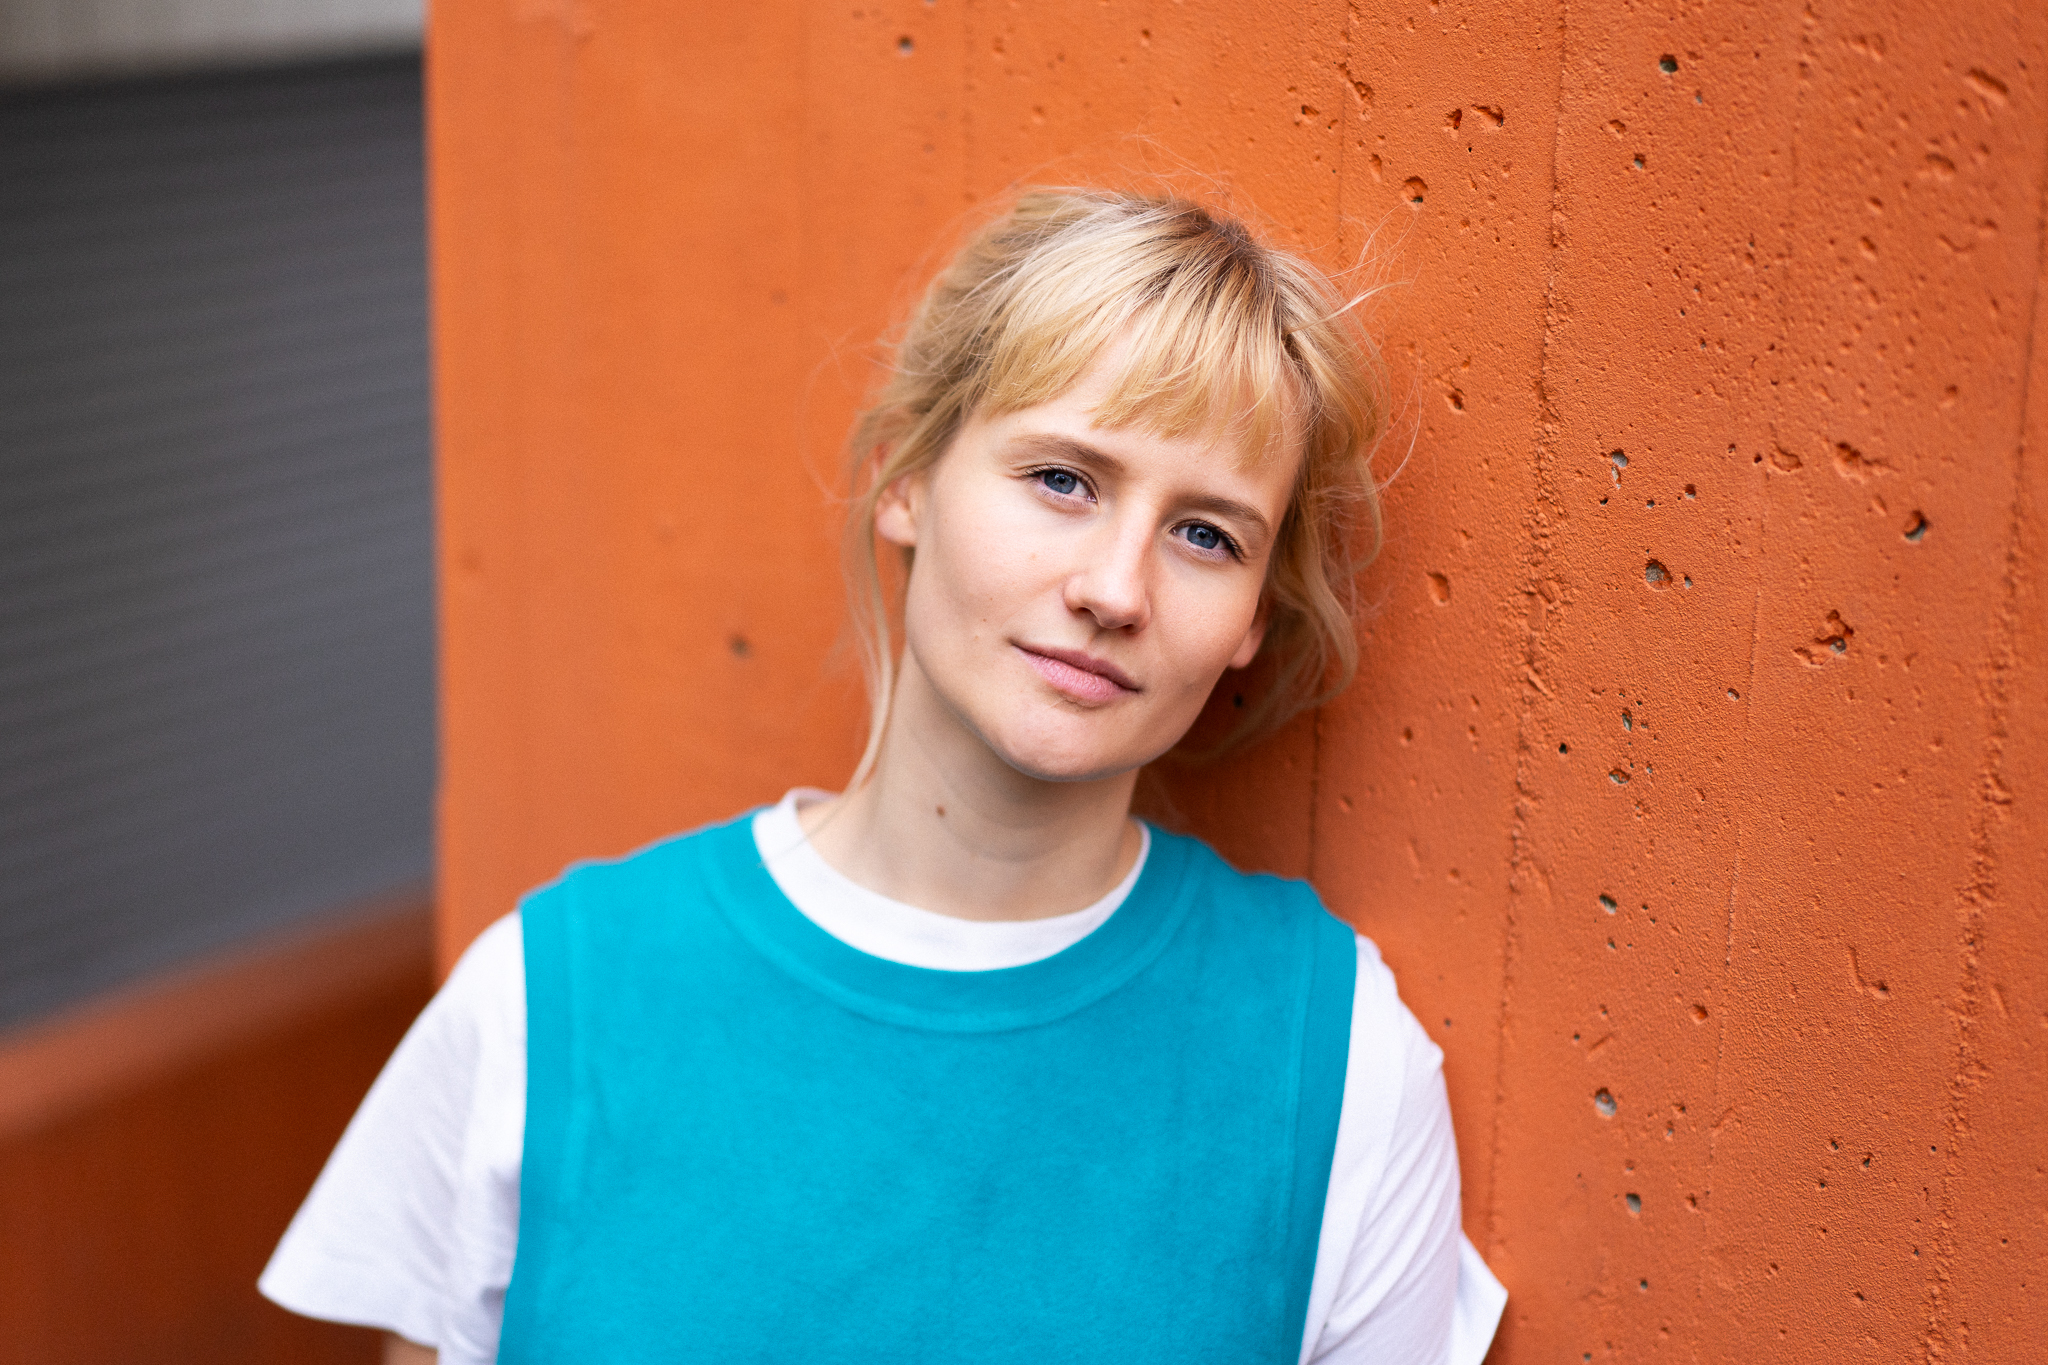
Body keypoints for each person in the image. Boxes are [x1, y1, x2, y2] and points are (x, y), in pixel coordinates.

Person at [260, 187, 1508, 1364]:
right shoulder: (550, 999)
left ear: (1251, 620)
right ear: (907, 480)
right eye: (1062, 480)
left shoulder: (1334, 1062)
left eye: (1204, 534)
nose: (1114, 590)